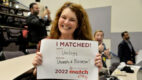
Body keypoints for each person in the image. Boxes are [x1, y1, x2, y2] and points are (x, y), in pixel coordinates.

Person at [32, 2, 102, 79]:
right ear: (58, 19)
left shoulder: (88, 48)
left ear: (78, 24)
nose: (66, 22)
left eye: (72, 20)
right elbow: (37, 74)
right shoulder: (46, 43)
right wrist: (37, 66)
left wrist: (95, 71)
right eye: (63, 17)